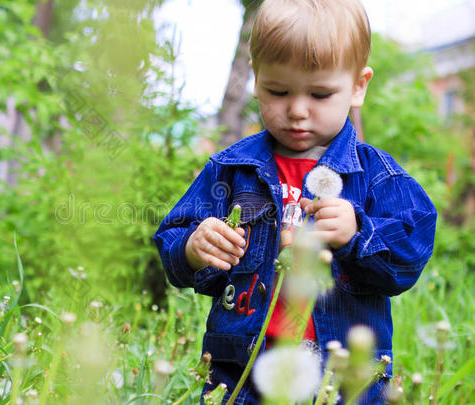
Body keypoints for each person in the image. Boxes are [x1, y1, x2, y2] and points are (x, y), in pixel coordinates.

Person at [152, 0, 437, 403]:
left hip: (342, 376)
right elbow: (172, 244)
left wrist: (359, 233)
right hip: (244, 371)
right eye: (278, 90)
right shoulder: (231, 169)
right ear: (255, 80)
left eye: (320, 94)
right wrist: (193, 247)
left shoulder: (377, 176)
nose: (297, 110)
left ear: (358, 85)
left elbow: (412, 253)